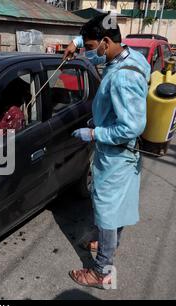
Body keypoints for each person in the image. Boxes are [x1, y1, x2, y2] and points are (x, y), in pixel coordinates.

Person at [64, 13, 151, 289]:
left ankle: (101, 272)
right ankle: (108, 243)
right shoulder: (130, 56)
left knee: (107, 211)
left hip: (116, 153)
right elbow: (95, 37)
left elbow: (131, 127)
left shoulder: (123, 78)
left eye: (90, 48)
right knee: (118, 206)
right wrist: (75, 41)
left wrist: (94, 132)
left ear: (104, 42)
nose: (89, 54)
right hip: (123, 153)